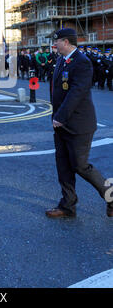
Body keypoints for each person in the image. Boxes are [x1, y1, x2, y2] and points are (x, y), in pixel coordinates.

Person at [45, 28, 113, 219]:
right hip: (60, 124)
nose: (54, 44)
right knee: (63, 166)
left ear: (66, 42)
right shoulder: (60, 59)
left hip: (78, 125)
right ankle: (67, 206)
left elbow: (77, 92)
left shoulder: (82, 62)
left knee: (80, 166)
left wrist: (60, 117)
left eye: (56, 41)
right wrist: (56, 118)